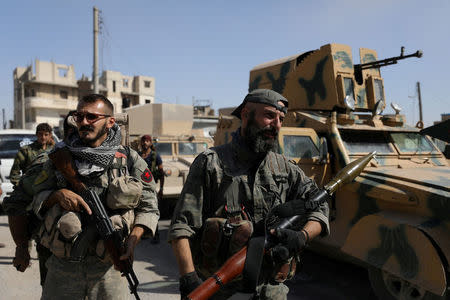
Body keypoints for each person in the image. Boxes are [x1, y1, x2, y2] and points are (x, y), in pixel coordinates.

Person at [168, 89, 329, 300]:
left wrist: (302, 236)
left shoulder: (285, 168)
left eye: (281, 119)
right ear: (246, 115)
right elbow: (181, 227)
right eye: (270, 116)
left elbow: (319, 203)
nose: (277, 124)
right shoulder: (211, 163)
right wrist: (189, 280)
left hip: (270, 290)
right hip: (220, 288)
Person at [28, 94, 159, 299]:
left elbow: (149, 206)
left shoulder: (129, 160)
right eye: (79, 117)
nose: (84, 122)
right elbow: (34, 198)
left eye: (91, 117)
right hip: (63, 268)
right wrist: (57, 196)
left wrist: (134, 239)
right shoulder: (59, 156)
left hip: (108, 269)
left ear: (110, 122)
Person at [4, 112, 78, 284]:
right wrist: (22, 247)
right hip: (54, 245)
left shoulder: (116, 160)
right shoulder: (40, 155)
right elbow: (17, 194)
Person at [139, 134, 164, 243]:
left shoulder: (155, 156)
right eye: (143, 141)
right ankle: (143, 233)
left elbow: (161, 174)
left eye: (147, 141)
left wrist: (161, 189)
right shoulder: (138, 156)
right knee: (140, 210)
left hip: (151, 187)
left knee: (153, 210)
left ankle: (156, 234)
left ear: (150, 143)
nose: (145, 143)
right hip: (139, 186)